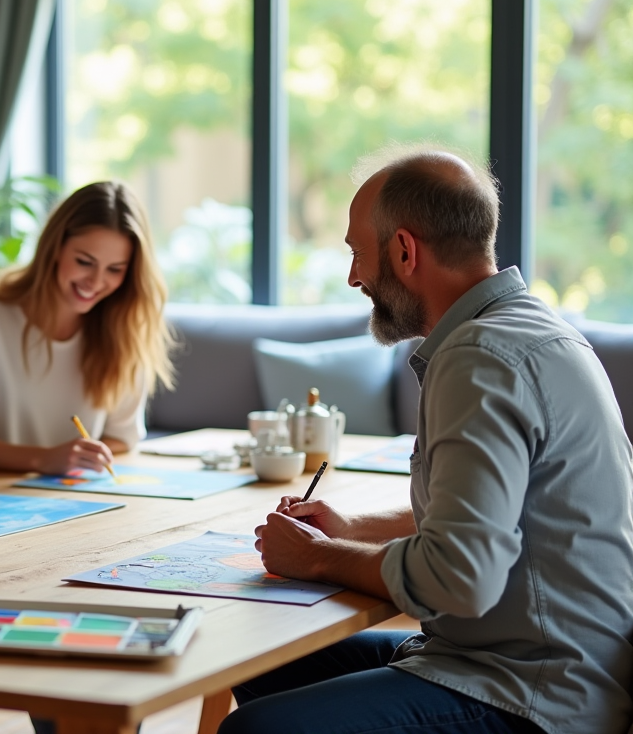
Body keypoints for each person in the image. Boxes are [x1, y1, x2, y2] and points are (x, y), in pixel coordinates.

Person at [221, 145, 633, 734]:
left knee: (257, 729)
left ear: (405, 250)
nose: (354, 276)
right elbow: (488, 517)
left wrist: (315, 557)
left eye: (358, 254)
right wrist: (351, 527)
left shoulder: (479, 358)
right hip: (525, 664)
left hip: (531, 692)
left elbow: (461, 576)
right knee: (261, 654)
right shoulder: (536, 331)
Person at [0, 181, 175, 476]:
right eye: (84, 262)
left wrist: (79, 457)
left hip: (77, 495)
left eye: (115, 269)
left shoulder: (125, 325)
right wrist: (45, 459)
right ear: (55, 246)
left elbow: (122, 436)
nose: (95, 282)